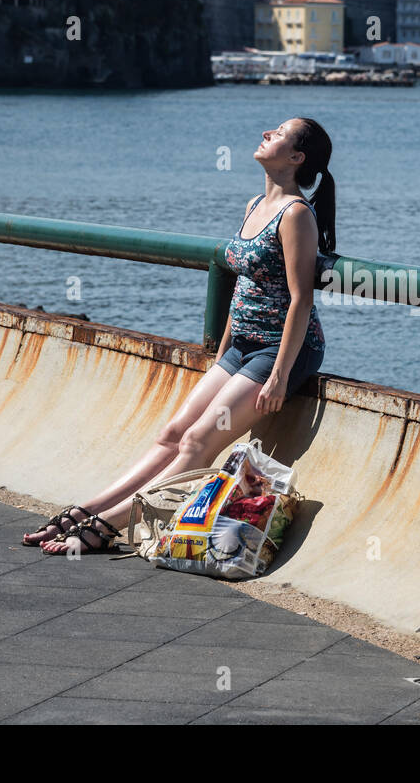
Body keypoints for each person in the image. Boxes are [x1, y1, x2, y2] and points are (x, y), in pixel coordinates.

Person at [22, 117, 336, 555]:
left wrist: (281, 375)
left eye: (279, 133)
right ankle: (89, 507)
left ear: (296, 157)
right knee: (172, 432)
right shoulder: (253, 205)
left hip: (279, 349)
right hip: (242, 346)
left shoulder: (297, 214)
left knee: (197, 442)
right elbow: (242, 284)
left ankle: (109, 524)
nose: (267, 133)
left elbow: (301, 300)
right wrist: (224, 353)